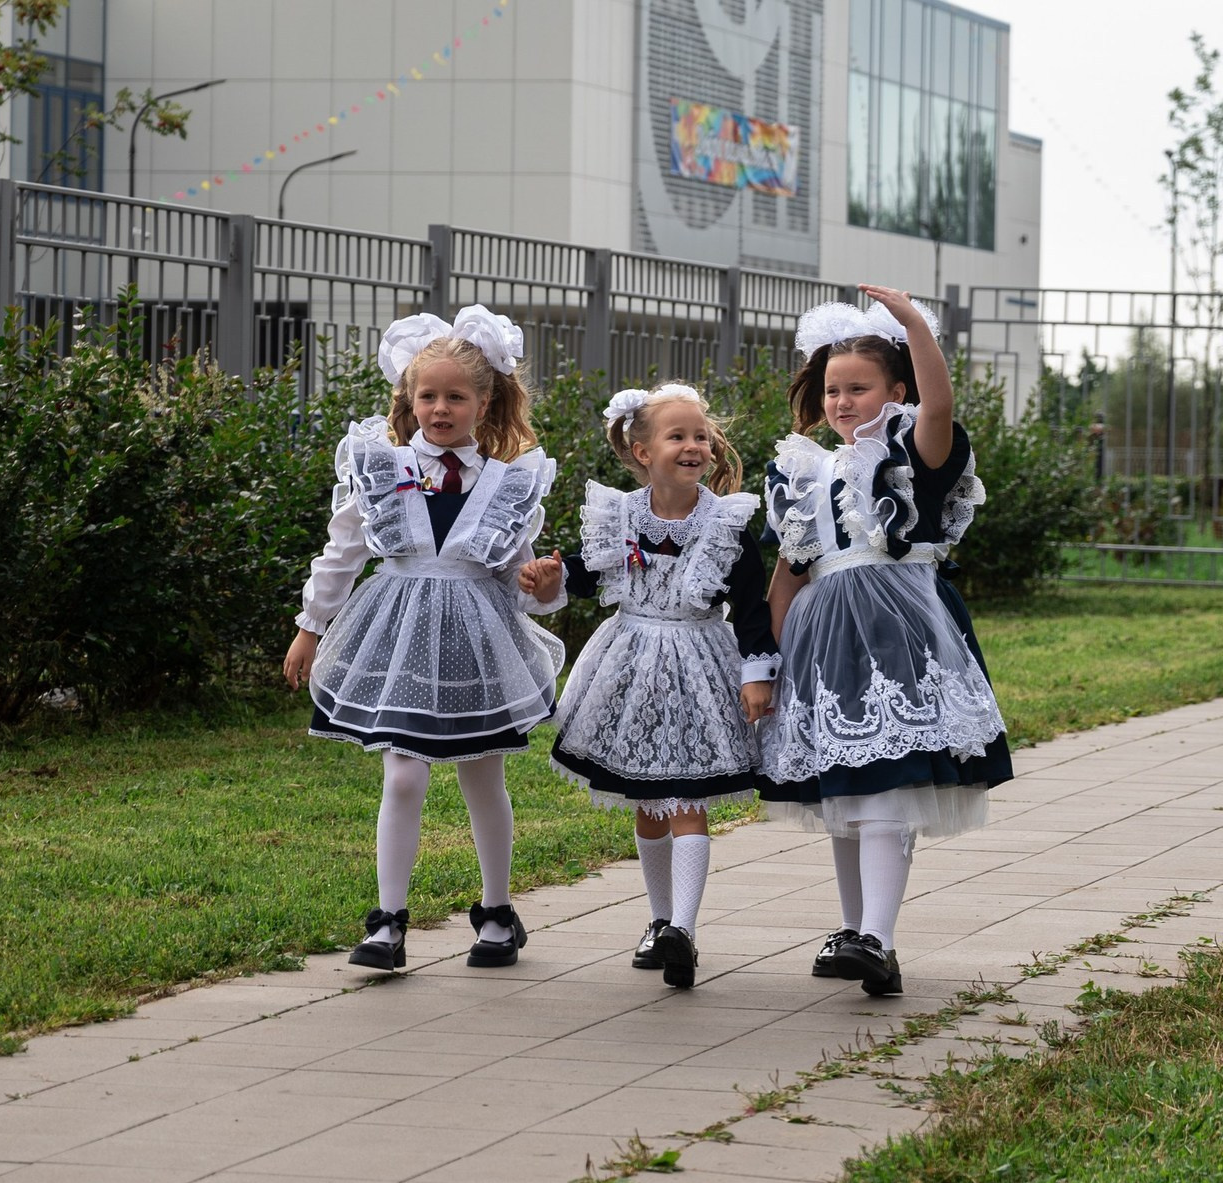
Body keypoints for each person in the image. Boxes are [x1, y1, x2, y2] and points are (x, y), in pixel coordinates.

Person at [284, 306, 564, 974]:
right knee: (404, 775)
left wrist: (543, 582)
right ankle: (389, 921)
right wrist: (308, 628)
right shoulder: (379, 467)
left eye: (455, 396)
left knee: (481, 775)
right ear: (408, 399)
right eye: (427, 395)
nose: (441, 408)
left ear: (485, 400)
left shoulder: (510, 481)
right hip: (399, 632)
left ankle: (497, 912)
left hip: (477, 638)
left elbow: (521, 581)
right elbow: (341, 552)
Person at [758, 286, 1013, 997]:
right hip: (824, 643)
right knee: (845, 789)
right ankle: (855, 930)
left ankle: (880, 937)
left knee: (889, 787)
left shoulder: (914, 452)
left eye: (859, 387)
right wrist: (776, 662)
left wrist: (912, 325)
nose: (842, 401)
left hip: (902, 634)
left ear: (894, 389)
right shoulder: (802, 470)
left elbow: (939, 407)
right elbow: (788, 572)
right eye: (833, 389)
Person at [520, 383, 780, 990]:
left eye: (701, 437)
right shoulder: (619, 516)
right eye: (678, 436)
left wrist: (757, 674)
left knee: (687, 802)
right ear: (641, 451)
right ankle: (659, 921)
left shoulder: (727, 525)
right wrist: (550, 578)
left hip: (699, 666)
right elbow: (585, 577)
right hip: (629, 666)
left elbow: (749, 608)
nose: (693, 446)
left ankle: (683, 931)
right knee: (648, 805)